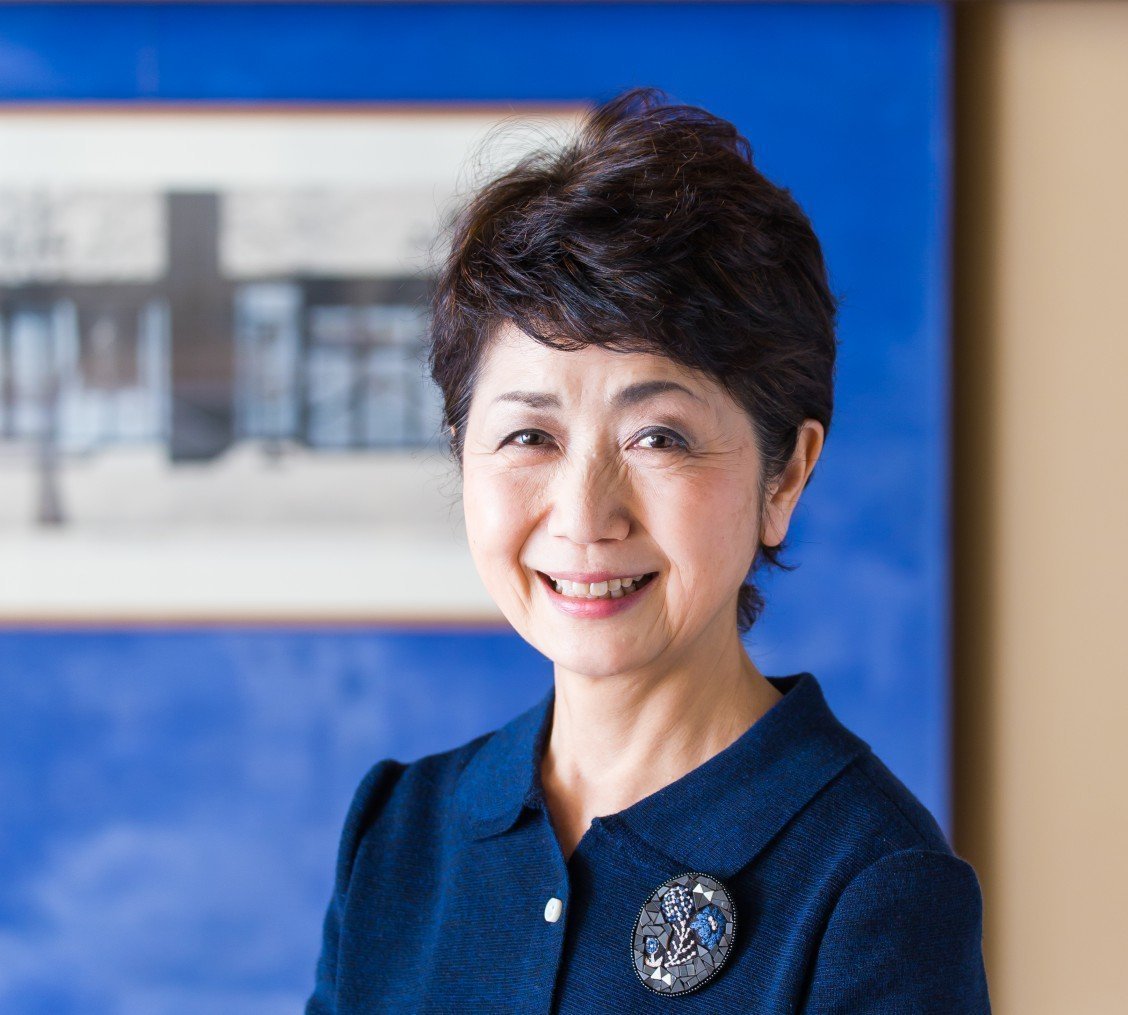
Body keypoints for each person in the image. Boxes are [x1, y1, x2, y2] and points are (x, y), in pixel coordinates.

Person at [305, 87, 991, 1013]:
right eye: (529, 437)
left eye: (657, 437)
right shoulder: (399, 836)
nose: (586, 515)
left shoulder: (872, 885)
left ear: (785, 475)